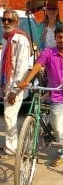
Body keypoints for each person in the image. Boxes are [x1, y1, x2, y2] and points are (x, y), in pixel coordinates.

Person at [18, 27, 63, 167]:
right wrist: (26, 81)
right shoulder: (49, 52)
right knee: (58, 128)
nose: (62, 40)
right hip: (56, 95)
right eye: (60, 37)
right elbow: (38, 65)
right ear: (55, 38)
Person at [0, 9, 32, 161]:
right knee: (9, 116)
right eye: (4, 20)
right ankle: (10, 144)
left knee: (9, 116)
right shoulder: (6, 38)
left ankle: (11, 149)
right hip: (6, 84)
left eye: (10, 20)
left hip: (16, 87)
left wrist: (15, 91)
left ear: (17, 22)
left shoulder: (21, 40)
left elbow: (22, 68)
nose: (6, 23)